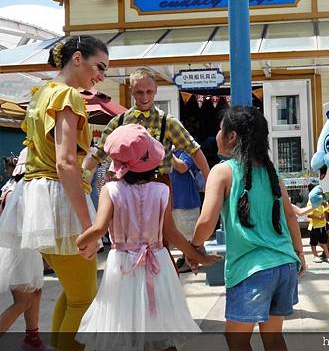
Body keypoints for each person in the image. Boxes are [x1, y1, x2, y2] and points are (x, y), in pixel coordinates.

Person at [0, 36, 108, 350]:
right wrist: (90, 225)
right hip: (56, 198)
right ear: (78, 58)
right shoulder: (68, 96)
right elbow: (65, 161)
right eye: (98, 66)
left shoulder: (42, 92)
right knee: (84, 298)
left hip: (35, 198)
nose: (101, 75)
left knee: (74, 295)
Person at [74, 125, 220, 350]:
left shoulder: (110, 190)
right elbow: (171, 233)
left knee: (123, 322)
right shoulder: (162, 191)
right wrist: (196, 254)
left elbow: (99, 228)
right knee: (159, 323)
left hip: (122, 264)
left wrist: (81, 242)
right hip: (158, 264)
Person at [189, 106, 306, 351]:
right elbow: (290, 217)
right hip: (284, 264)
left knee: (237, 340)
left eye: (221, 129)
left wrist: (195, 247)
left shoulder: (222, 171)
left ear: (231, 136)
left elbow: (206, 221)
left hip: (251, 270)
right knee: (273, 339)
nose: (217, 135)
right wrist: (300, 253)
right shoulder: (272, 173)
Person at [83, 67, 210, 200]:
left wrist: (209, 180)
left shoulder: (168, 122)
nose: (145, 97)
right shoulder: (119, 121)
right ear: (131, 91)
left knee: (161, 222)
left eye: (149, 91)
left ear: (155, 89)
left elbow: (194, 150)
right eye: (139, 92)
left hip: (158, 182)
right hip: (125, 184)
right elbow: (98, 155)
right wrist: (80, 175)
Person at [0, 148, 45, 351]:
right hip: (20, 251)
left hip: (26, 251)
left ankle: (32, 339)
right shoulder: (21, 191)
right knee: (23, 300)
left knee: (35, 294)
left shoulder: (15, 187)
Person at [170, 148, 203, 272]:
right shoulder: (174, 152)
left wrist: (167, 153)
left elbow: (182, 167)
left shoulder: (186, 151)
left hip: (187, 200)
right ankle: (187, 257)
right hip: (176, 200)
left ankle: (193, 259)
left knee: (190, 233)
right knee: (180, 231)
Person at [294, 184, 329, 263]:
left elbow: (326, 209)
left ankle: (328, 256)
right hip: (314, 226)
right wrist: (318, 217)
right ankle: (316, 256)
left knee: (324, 241)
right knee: (314, 242)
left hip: (323, 225)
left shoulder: (322, 200)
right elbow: (308, 214)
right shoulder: (311, 201)